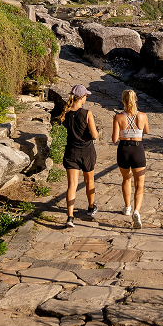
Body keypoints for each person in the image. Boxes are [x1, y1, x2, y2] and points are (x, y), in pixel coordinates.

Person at [59, 84, 99, 228]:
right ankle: (90, 207)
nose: (86, 98)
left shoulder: (66, 113)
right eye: (86, 96)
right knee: (89, 182)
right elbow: (94, 135)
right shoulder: (87, 113)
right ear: (81, 97)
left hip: (71, 151)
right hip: (87, 152)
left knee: (72, 185)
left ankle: (70, 217)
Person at [112, 89, 149, 229]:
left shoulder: (118, 117)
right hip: (138, 150)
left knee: (126, 179)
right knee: (140, 184)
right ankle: (136, 211)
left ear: (123, 101)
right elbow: (146, 131)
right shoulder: (143, 116)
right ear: (136, 100)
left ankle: (127, 207)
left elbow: (114, 139)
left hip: (124, 149)